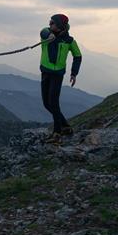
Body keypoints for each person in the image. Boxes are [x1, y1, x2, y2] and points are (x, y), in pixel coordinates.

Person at [39, 14, 82, 145]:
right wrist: (48, 35)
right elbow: (43, 31)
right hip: (45, 72)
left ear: (60, 25)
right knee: (47, 103)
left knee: (53, 102)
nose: (50, 24)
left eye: (53, 23)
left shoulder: (69, 41)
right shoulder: (47, 34)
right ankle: (66, 126)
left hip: (57, 75)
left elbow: (78, 56)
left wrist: (74, 73)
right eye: (50, 22)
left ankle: (57, 133)